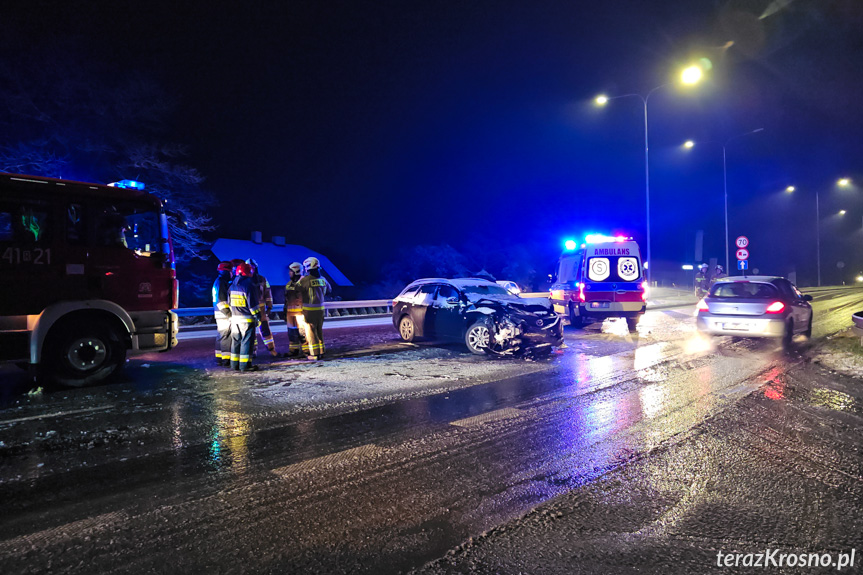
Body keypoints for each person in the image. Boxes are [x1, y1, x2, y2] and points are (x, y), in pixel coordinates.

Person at [229, 262, 261, 372]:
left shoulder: (233, 284)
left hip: (235, 318)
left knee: (236, 341)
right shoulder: (248, 284)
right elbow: (252, 303)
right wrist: (257, 316)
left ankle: (234, 364)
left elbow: (229, 302)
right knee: (247, 342)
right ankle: (245, 366)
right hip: (246, 318)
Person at [299, 256, 331, 360]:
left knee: (311, 332)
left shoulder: (305, 280)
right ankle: (321, 351)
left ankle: (314, 354)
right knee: (319, 331)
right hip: (320, 310)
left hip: (309, 311)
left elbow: (296, 292)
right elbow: (329, 290)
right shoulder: (323, 279)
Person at [246, 258, 279, 357]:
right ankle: (253, 351)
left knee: (265, 331)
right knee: (251, 332)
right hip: (249, 310)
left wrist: (269, 307)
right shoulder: (245, 281)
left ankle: (272, 350)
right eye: (249, 267)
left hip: (261, 311)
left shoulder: (262, 279)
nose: (251, 269)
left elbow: (268, 293)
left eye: (253, 267)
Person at [212, 261, 233, 366]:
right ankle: (226, 359)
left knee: (221, 336)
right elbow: (221, 301)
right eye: (230, 271)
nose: (232, 273)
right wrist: (228, 314)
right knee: (225, 336)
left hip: (220, 313)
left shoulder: (218, 281)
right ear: (225, 272)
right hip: (223, 314)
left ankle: (219, 358)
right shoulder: (221, 283)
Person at [283, 262, 307, 357]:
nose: (289, 273)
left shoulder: (304, 283)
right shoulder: (288, 284)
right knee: (292, 333)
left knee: (303, 333)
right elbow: (286, 299)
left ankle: (306, 350)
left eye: (291, 271)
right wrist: (285, 311)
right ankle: (293, 350)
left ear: (296, 271)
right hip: (290, 313)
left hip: (301, 313)